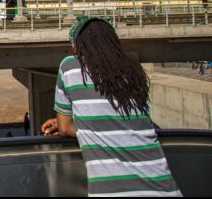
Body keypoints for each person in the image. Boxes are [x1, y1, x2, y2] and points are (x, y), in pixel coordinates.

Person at [41, 16, 182, 197]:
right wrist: (82, 119)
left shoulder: (70, 67)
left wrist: (72, 121)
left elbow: (64, 128)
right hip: (165, 189)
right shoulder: (134, 71)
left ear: (77, 46)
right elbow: (124, 120)